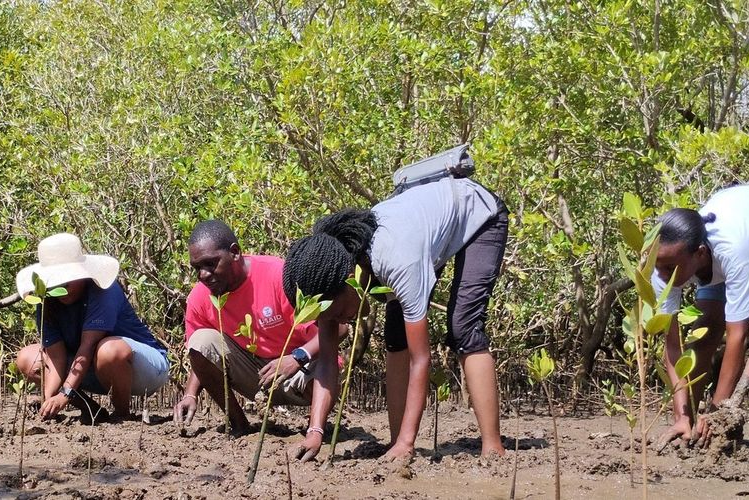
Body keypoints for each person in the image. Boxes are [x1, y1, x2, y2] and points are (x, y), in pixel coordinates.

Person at [283, 177, 509, 461]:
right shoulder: (328, 280)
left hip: (478, 215)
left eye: (339, 313)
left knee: (463, 326)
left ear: (349, 280)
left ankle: (493, 447)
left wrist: (409, 442)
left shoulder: (397, 261)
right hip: (423, 232)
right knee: (395, 336)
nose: (341, 320)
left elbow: (421, 359)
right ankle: (395, 441)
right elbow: (326, 360)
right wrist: (315, 431)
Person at [650, 184, 749, 456]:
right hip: (729, 242)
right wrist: (680, 414)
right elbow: (673, 348)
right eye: (658, 267)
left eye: (670, 269)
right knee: (707, 327)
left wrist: (718, 414)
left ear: (699, 254)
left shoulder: (734, 250)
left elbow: (738, 336)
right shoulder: (663, 266)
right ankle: (691, 425)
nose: (664, 277)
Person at [172, 220, 321, 434]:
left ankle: (316, 427)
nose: (203, 275)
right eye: (197, 268)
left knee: (324, 369)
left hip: (298, 369)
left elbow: (334, 332)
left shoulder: (278, 274)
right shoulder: (200, 297)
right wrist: (190, 394)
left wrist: (296, 358)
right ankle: (239, 424)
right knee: (200, 339)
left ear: (235, 252)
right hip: (255, 375)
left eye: (210, 264)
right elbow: (201, 353)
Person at [13, 233, 170, 421]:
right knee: (27, 358)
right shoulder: (46, 300)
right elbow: (56, 357)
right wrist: (49, 401)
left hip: (145, 369)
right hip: (94, 370)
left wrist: (65, 395)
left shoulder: (103, 290)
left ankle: (121, 415)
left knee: (109, 350)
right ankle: (92, 410)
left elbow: (87, 347)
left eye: (66, 281)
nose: (61, 288)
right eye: (55, 282)